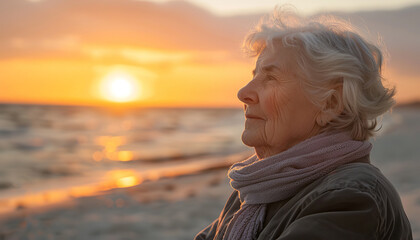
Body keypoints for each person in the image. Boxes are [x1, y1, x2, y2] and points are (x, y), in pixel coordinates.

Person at [194, 6, 413, 240]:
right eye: (254, 75)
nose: (243, 93)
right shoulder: (255, 190)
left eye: (270, 77)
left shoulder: (351, 196)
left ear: (330, 103)